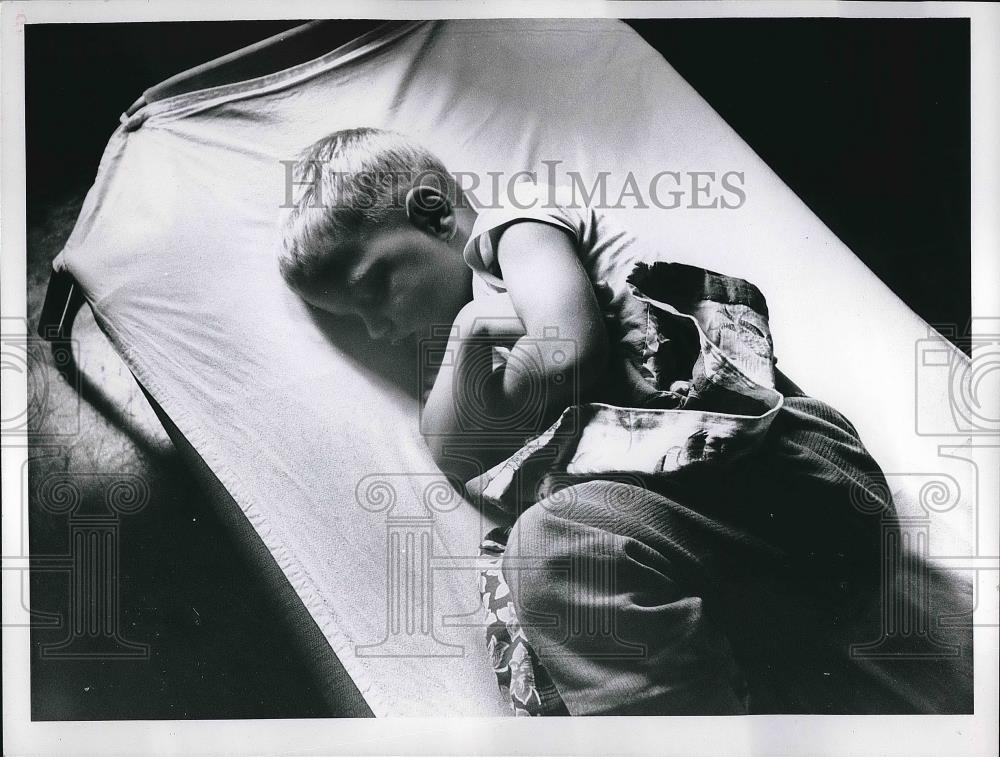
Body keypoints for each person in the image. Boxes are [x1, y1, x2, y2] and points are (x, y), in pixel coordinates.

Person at [278, 127, 968, 716]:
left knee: (551, 541)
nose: (379, 327)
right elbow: (452, 458)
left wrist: (483, 345)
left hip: (788, 479)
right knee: (545, 567)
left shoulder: (514, 233)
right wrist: (467, 334)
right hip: (732, 593)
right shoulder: (469, 348)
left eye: (375, 286)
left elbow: (567, 350)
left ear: (432, 213)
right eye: (355, 320)